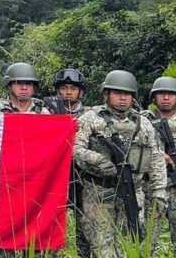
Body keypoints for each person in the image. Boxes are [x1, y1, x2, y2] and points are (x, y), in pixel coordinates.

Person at [73, 70, 166, 258]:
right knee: (102, 248)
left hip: (132, 194)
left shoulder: (144, 124)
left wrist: (158, 195)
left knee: (128, 245)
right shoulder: (91, 118)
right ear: (106, 94)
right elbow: (74, 149)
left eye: (127, 94)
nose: (123, 98)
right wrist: (96, 159)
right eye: (117, 93)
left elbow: (156, 161)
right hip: (98, 192)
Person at [143, 76, 176, 258]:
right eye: (161, 94)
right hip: (151, 189)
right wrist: (158, 156)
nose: (166, 98)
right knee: (146, 240)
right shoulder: (142, 122)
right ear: (154, 98)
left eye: (171, 94)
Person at [44, 68, 90, 256]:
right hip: (53, 177)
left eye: (73, 88)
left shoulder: (90, 115)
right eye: (64, 87)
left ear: (81, 92)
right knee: (49, 223)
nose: (68, 92)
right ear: (57, 90)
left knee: (86, 227)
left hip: (82, 177)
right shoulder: (46, 112)